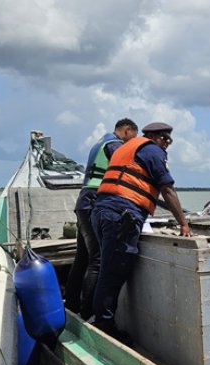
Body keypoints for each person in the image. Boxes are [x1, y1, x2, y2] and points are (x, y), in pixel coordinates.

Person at [89, 121, 192, 336]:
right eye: (165, 139)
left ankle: (98, 318)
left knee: (107, 270)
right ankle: (105, 327)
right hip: (121, 215)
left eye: (169, 140)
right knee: (112, 274)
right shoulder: (153, 151)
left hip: (102, 211)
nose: (167, 144)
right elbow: (168, 189)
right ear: (153, 136)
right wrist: (183, 222)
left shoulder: (129, 148)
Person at [64, 118, 137, 319]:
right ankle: (89, 313)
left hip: (84, 201)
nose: (131, 143)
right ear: (127, 130)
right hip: (95, 200)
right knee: (97, 259)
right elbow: (127, 165)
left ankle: (71, 305)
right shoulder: (114, 144)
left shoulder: (100, 143)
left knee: (82, 258)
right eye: (132, 138)